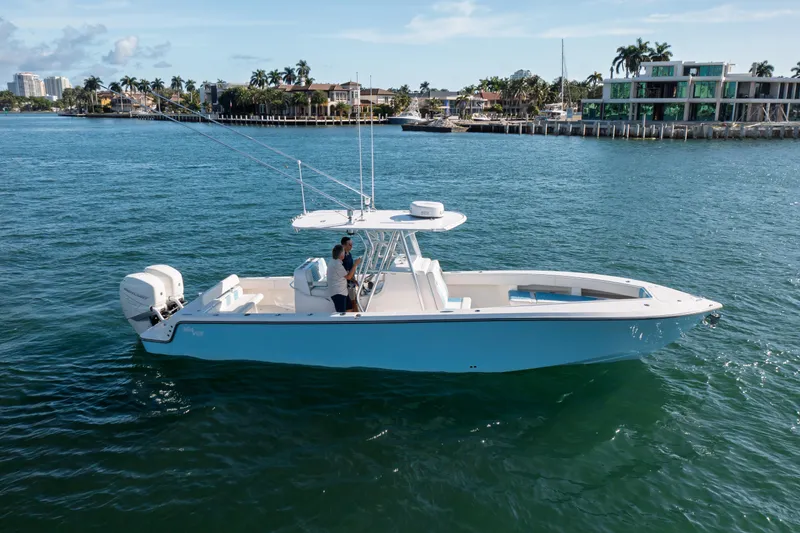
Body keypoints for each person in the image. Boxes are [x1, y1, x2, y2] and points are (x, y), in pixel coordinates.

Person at [327, 244, 360, 313]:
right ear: (341, 254)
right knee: (341, 313)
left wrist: (354, 280)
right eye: (344, 252)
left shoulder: (334, 261)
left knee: (350, 309)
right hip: (338, 293)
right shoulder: (337, 264)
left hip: (343, 292)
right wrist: (355, 264)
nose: (345, 253)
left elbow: (345, 275)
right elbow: (348, 277)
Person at [341, 236, 359, 311]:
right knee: (353, 302)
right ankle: (357, 315)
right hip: (348, 283)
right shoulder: (342, 257)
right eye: (349, 244)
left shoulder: (349, 254)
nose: (351, 246)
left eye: (352, 244)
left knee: (354, 301)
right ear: (344, 245)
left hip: (351, 281)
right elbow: (345, 273)